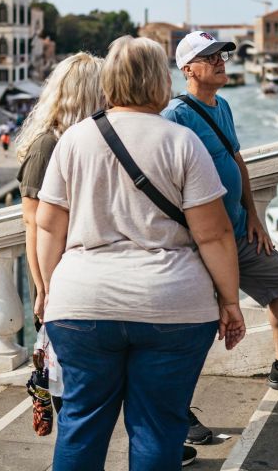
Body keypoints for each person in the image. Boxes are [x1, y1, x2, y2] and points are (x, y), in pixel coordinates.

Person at [37, 36, 245, 470]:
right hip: (172, 304)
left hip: (82, 303)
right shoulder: (182, 141)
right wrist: (230, 300)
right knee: (156, 426)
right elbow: (214, 235)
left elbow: (48, 227)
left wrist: (45, 291)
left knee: (81, 421)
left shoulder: (74, 140)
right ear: (161, 81)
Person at [162, 30, 278, 442]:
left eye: (222, 55)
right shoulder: (173, 118)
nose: (221, 61)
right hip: (200, 244)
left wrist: (253, 215)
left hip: (238, 231)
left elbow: (236, 159)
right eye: (211, 57)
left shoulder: (222, 106)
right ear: (188, 69)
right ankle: (174, 410)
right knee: (197, 328)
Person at [14, 52, 105, 419]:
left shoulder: (81, 143)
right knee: (69, 384)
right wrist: (43, 291)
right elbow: (32, 223)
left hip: (82, 277)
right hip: (58, 286)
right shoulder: (47, 147)